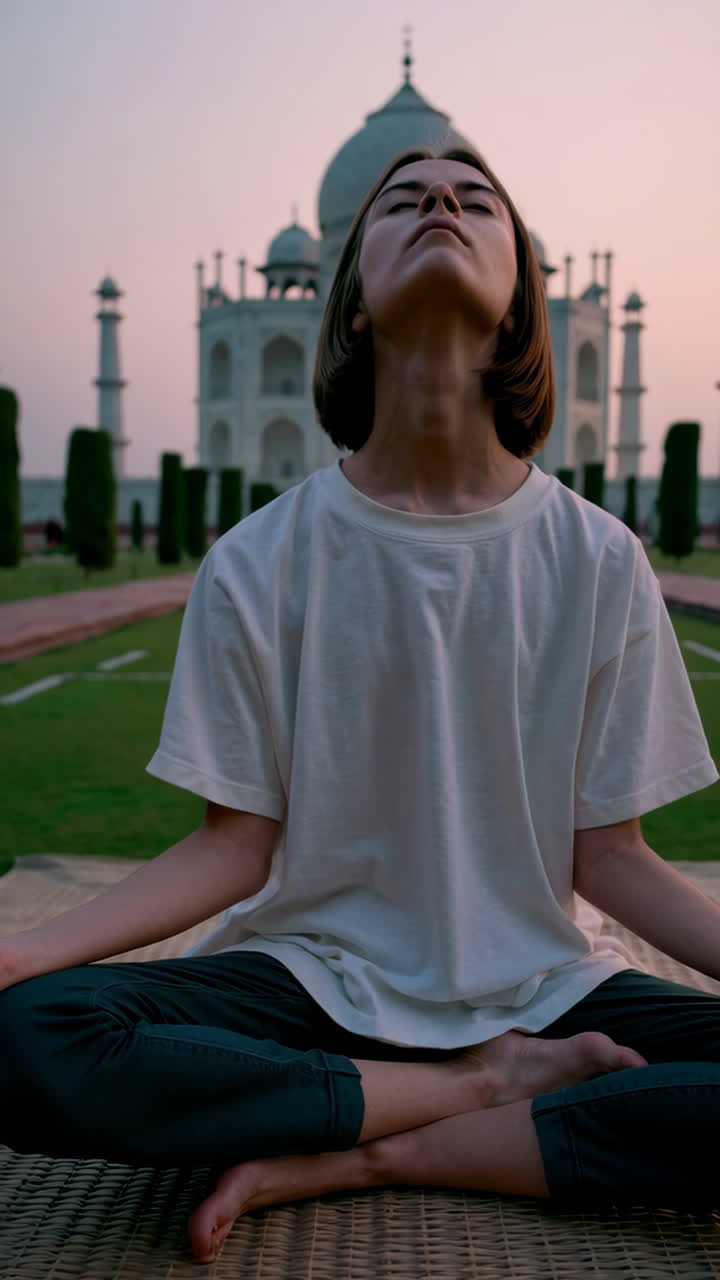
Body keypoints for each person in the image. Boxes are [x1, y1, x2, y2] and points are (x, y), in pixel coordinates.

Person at [0, 147, 718, 1266]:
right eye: (404, 198)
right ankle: (487, 1092)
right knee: (28, 1035)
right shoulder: (264, 556)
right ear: (347, 294)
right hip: (315, 978)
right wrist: (23, 955)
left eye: (477, 199)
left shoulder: (596, 559)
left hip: (544, 983)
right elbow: (236, 848)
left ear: (527, 292)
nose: (441, 200)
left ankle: (389, 1144)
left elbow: (612, 859)